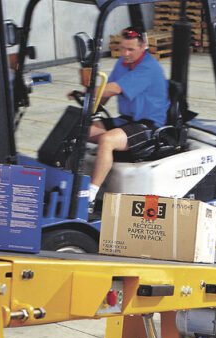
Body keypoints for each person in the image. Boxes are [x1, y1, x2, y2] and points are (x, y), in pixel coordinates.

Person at [71, 28, 170, 206]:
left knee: (107, 140)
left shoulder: (149, 67)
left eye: (130, 49)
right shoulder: (123, 64)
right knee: (79, 128)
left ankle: (90, 196)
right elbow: (106, 92)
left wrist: (89, 90)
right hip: (126, 120)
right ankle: (71, 180)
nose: (125, 53)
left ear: (143, 47)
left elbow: (115, 88)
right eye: (123, 48)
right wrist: (91, 104)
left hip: (148, 125)